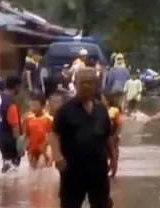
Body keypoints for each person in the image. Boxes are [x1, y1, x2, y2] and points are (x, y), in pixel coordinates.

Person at [51, 69, 113, 208]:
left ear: (96, 85)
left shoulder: (101, 109)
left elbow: (108, 136)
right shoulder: (65, 110)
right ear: (76, 84)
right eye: (83, 82)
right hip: (73, 169)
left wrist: (113, 158)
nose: (87, 86)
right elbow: (54, 135)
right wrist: (58, 157)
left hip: (98, 169)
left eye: (91, 83)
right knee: (70, 204)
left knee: (102, 203)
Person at [0, 75, 24, 173]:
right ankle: (9, 187)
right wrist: (19, 146)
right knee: (12, 170)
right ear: (17, 86)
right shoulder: (10, 103)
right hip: (10, 141)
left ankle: (4, 186)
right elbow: (14, 125)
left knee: (7, 165)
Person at [23, 94, 53, 169]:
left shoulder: (49, 119)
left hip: (44, 148)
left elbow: (52, 136)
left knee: (41, 168)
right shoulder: (28, 118)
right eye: (31, 105)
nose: (32, 108)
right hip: (32, 149)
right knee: (33, 171)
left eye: (35, 106)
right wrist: (24, 145)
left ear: (43, 106)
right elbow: (26, 134)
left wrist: (45, 145)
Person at [101, 94, 122, 178]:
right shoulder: (101, 110)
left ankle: (112, 172)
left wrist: (115, 136)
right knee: (106, 154)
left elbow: (119, 125)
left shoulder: (115, 110)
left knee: (113, 154)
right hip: (105, 135)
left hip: (112, 135)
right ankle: (108, 171)